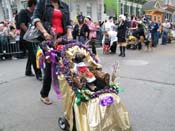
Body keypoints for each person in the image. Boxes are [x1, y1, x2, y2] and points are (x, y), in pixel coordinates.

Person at [32, 0, 72, 105]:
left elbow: (68, 24)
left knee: (67, 66)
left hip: (62, 39)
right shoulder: (43, 3)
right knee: (49, 68)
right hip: (48, 39)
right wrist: (44, 32)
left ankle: (69, 93)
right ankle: (44, 94)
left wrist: (69, 34)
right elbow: (36, 19)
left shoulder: (64, 6)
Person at [18, 0, 42, 80]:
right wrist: (30, 34)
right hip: (26, 37)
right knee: (33, 55)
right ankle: (38, 73)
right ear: (32, 5)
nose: (36, 8)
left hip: (33, 37)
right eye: (35, 5)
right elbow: (22, 24)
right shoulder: (23, 12)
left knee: (31, 54)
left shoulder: (34, 13)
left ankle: (28, 71)